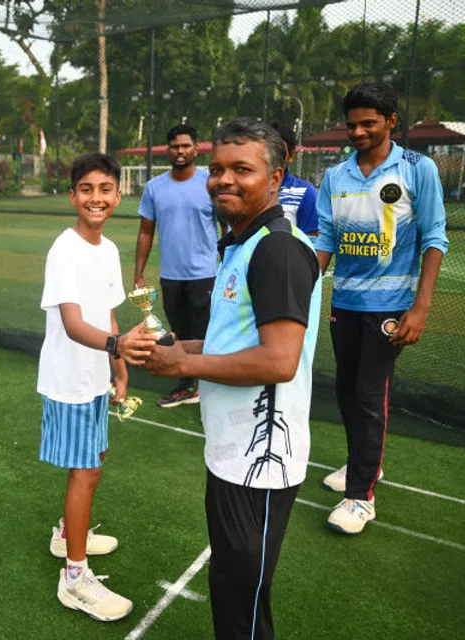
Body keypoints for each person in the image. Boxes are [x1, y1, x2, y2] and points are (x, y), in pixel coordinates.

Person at [143, 118, 321, 639]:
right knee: (230, 588)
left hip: (260, 463)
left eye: (242, 169)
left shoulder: (279, 250)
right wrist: (179, 348)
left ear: (276, 176)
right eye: (217, 169)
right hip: (229, 453)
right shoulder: (239, 244)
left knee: (242, 604)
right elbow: (236, 340)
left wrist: (187, 365)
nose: (224, 180)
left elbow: (278, 361)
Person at [316, 82, 448, 535]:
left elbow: (435, 238)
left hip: (391, 305)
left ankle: (361, 496)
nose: (357, 131)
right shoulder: (336, 177)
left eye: (368, 123)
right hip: (346, 303)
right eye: (351, 124)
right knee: (347, 391)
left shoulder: (418, 168)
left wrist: (420, 308)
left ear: (391, 121)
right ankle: (362, 464)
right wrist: (300, 286)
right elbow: (326, 240)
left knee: (371, 396)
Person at [38, 152, 155, 622]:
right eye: (86, 189)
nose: (96, 198)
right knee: (84, 471)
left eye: (105, 189)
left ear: (118, 195)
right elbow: (71, 323)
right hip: (67, 380)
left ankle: (69, 534)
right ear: (72, 197)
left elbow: (107, 310)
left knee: (96, 458)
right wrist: (116, 342)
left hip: (95, 376)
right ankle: (74, 576)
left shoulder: (107, 249)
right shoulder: (63, 249)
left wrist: (118, 362)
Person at [134, 123, 219, 408]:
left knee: (204, 334)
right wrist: (138, 272)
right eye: (174, 146)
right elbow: (146, 231)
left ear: (197, 148)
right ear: (167, 150)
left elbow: (229, 225)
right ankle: (188, 385)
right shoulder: (154, 187)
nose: (180, 151)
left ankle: (206, 387)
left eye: (185, 145)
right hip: (171, 276)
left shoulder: (210, 182)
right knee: (179, 333)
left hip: (205, 274)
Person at [270, 121, 319, 237]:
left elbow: (311, 242)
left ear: (291, 156)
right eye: (268, 151)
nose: (272, 157)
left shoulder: (304, 192)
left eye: (279, 152)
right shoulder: (248, 187)